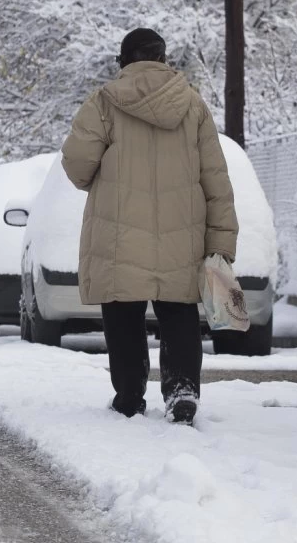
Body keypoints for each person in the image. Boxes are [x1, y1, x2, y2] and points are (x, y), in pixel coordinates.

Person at [60, 28, 238, 426]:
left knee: (122, 312)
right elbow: (217, 180)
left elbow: (76, 166)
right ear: (163, 59)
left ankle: (128, 396)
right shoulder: (193, 106)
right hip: (182, 234)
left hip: (119, 232)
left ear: (123, 61)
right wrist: (223, 241)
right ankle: (182, 392)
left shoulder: (104, 103)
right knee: (178, 312)